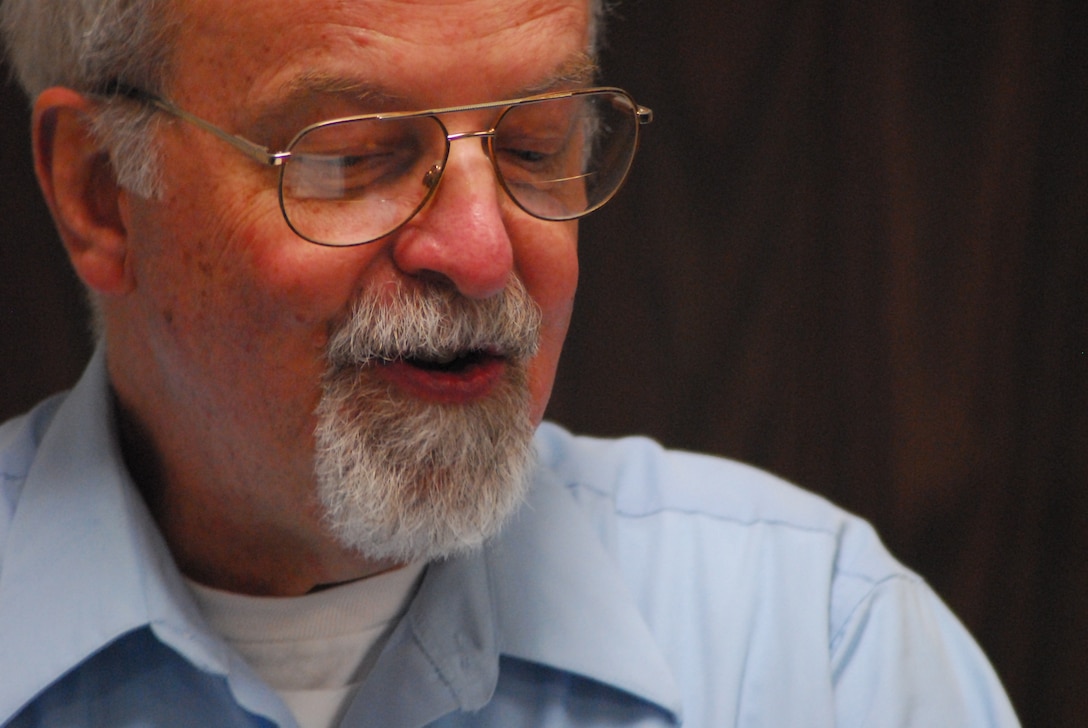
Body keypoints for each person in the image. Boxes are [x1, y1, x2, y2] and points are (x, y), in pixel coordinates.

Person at [0, 0, 1020, 726]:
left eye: (533, 145)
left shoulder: (818, 653)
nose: (485, 252)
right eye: (351, 154)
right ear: (99, 190)